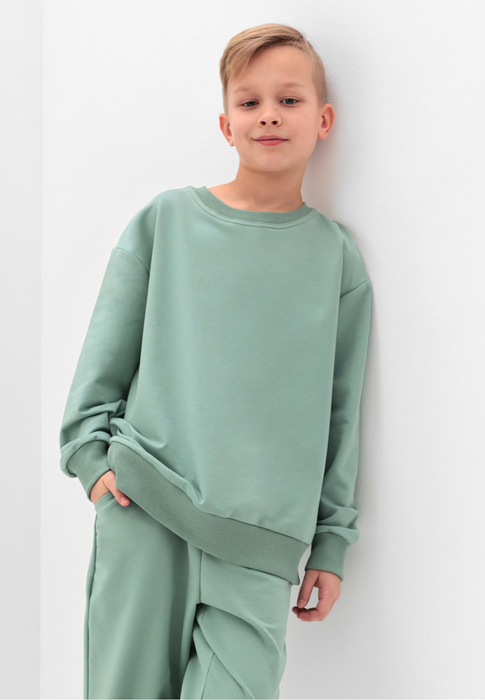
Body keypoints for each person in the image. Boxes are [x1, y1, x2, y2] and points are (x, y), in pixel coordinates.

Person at [59, 22, 373, 700]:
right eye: (249, 101)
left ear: (323, 120)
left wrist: (331, 542)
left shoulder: (337, 260)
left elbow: (342, 411)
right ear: (227, 125)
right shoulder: (166, 222)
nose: (269, 115)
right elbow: (102, 360)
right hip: (145, 509)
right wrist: (91, 461)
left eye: (289, 100)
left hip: (261, 543)